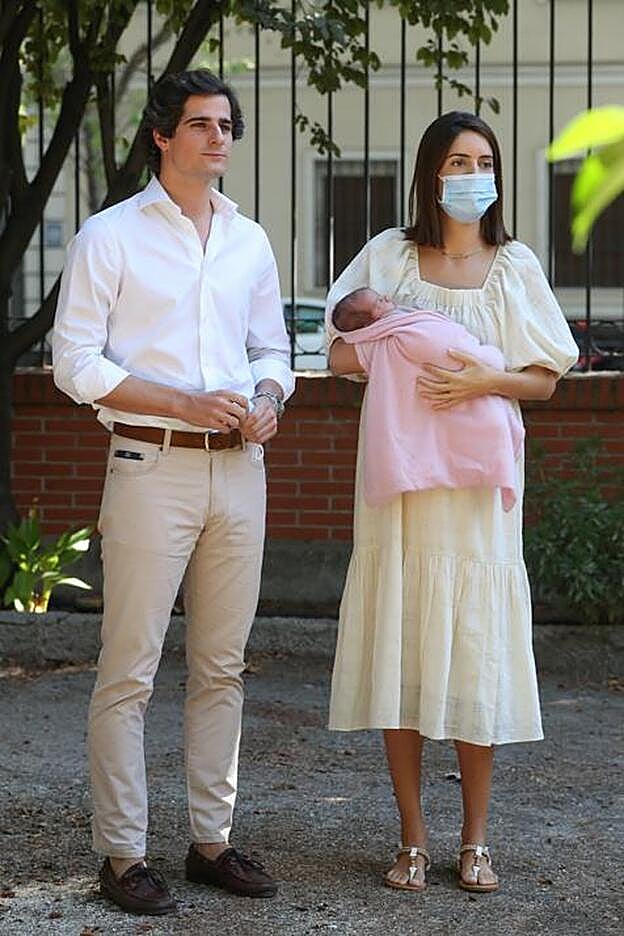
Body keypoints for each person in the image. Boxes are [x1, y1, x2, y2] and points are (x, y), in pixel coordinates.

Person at [53, 69, 294, 916]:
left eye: (226, 124)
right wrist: (181, 401)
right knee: (130, 670)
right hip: (150, 464)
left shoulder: (249, 241)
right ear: (162, 135)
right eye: (200, 124)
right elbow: (76, 364)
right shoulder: (109, 236)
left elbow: (273, 349)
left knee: (223, 665)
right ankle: (121, 855)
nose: (218, 138)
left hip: (240, 468)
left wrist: (267, 400)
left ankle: (210, 841)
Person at [325, 111, 578, 894]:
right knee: (402, 644)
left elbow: (545, 376)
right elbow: (337, 348)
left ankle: (474, 840)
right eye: (459, 159)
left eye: (485, 160)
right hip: (400, 489)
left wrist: (482, 380)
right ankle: (409, 837)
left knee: (474, 649)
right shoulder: (389, 259)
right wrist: (392, 345)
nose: (473, 172)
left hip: (477, 498)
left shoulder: (516, 266)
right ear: (432, 171)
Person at [331, 287, 524, 511]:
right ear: (370, 323)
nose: (386, 297)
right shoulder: (399, 335)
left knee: (484, 417)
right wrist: (492, 362)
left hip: (468, 379)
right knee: (485, 413)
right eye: (378, 303)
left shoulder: (403, 321)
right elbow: (438, 344)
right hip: (457, 361)